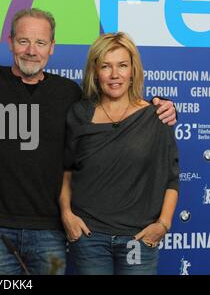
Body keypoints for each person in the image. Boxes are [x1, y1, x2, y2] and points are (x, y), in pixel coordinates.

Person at [0, 9, 177, 275]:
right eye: (23, 41)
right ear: (10, 42)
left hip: (49, 233)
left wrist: (163, 105)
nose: (32, 50)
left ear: (52, 47)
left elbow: (166, 170)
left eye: (40, 42)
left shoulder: (69, 95)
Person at [59, 32, 179, 275]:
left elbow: (171, 178)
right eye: (106, 66)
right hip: (89, 238)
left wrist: (163, 225)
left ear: (133, 70)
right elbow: (67, 171)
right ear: (95, 71)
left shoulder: (156, 116)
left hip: (138, 239)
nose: (115, 75)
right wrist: (66, 214)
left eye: (122, 66)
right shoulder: (79, 114)